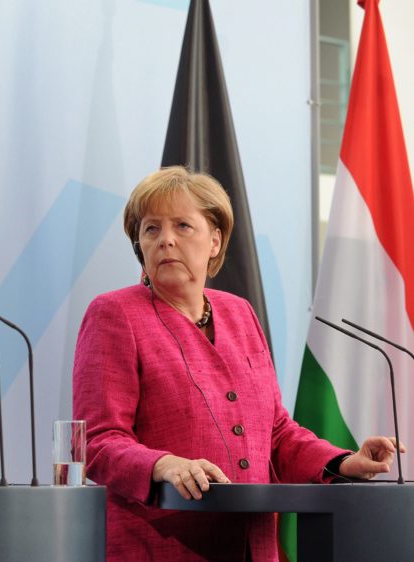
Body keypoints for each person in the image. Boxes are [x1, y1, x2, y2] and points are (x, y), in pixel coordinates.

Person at [72, 166, 403, 561]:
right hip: (161, 546)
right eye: (151, 229)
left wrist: (343, 461)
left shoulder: (240, 313)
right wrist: (164, 464)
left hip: (253, 546)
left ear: (215, 241)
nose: (166, 240)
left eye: (182, 226)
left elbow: (276, 433)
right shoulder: (114, 314)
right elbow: (98, 441)